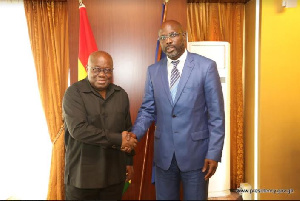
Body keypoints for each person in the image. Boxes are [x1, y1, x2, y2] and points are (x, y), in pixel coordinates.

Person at [131, 20, 225, 200]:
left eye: (173, 35)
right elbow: (147, 110)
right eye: (163, 37)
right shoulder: (153, 71)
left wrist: (214, 152)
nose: (168, 41)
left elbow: (216, 115)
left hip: (197, 156)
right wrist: (134, 135)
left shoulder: (206, 67)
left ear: (184, 36)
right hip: (164, 156)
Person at [62, 51, 137, 200]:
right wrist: (118, 139)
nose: (102, 74)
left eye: (107, 70)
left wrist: (129, 161)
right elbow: (79, 130)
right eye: (96, 69)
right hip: (82, 178)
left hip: (114, 176)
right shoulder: (74, 93)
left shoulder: (121, 94)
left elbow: (127, 129)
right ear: (87, 68)